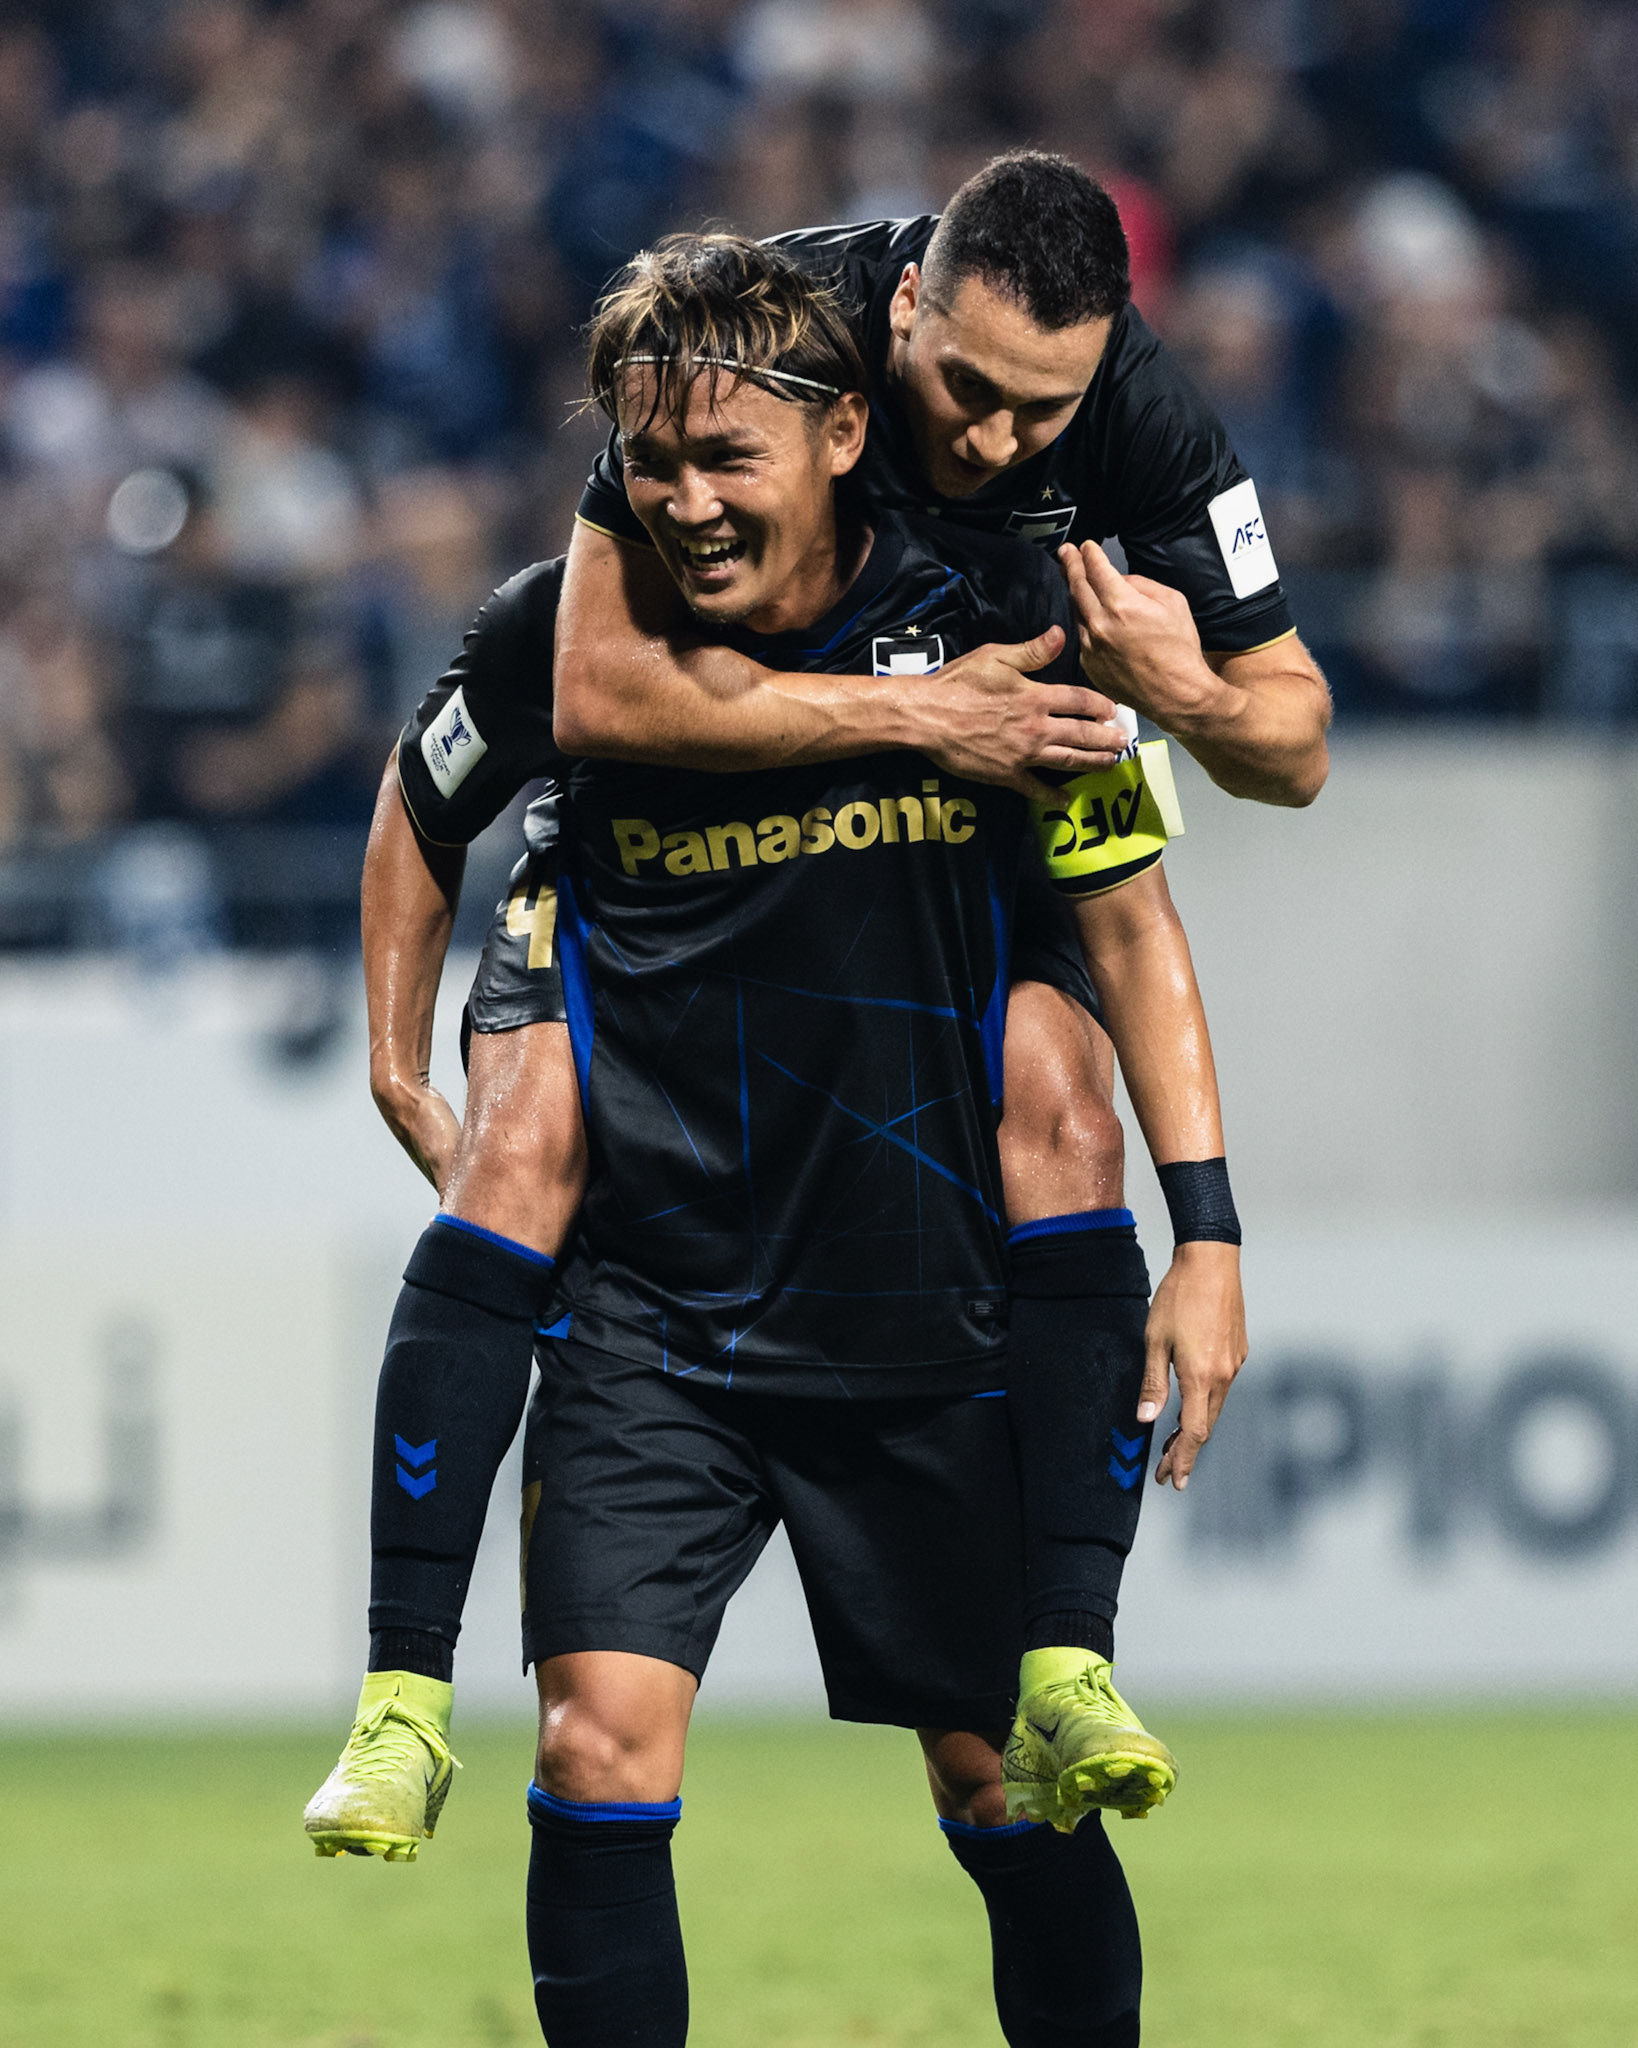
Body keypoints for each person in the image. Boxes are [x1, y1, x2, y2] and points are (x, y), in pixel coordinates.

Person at [313, 155, 1276, 1855]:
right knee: (518, 1131)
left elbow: (1155, 895)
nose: (681, 502)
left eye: (721, 463)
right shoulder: (570, 624)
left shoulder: (1010, 627)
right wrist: (397, 1056)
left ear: (834, 445)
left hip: (896, 1258)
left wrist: (1208, 1234)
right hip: (666, 1269)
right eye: (650, 466)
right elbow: (429, 786)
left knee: (1056, 1082)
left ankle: (1070, 1656)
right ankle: (399, 1703)